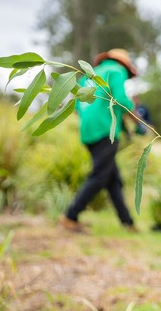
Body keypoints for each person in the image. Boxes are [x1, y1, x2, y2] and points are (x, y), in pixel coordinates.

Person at [59, 49, 139, 233]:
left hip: (87, 131)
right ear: (124, 65)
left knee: (112, 180)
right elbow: (120, 99)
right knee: (99, 176)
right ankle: (70, 216)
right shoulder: (116, 71)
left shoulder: (88, 76)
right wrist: (139, 120)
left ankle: (128, 223)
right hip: (106, 130)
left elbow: (78, 107)